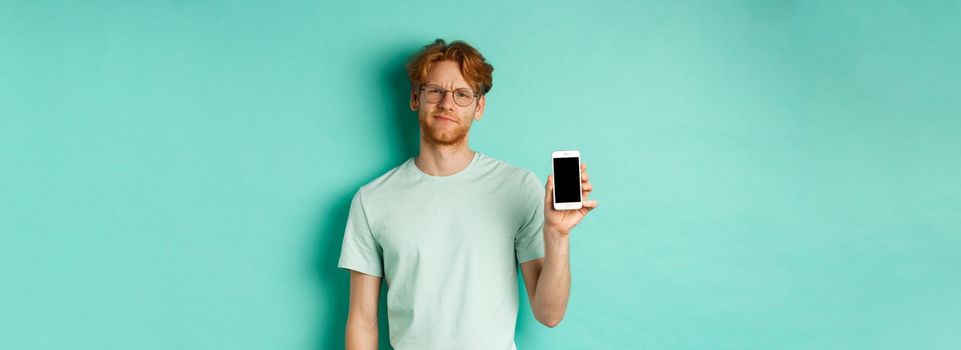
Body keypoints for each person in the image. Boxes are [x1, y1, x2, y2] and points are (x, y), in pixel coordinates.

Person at [338, 38, 598, 350]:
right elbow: (363, 322)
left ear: (479, 107)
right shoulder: (372, 199)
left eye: (462, 94)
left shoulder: (517, 187)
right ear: (414, 98)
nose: (447, 103)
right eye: (435, 91)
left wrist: (557, 234)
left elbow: (549, 313)